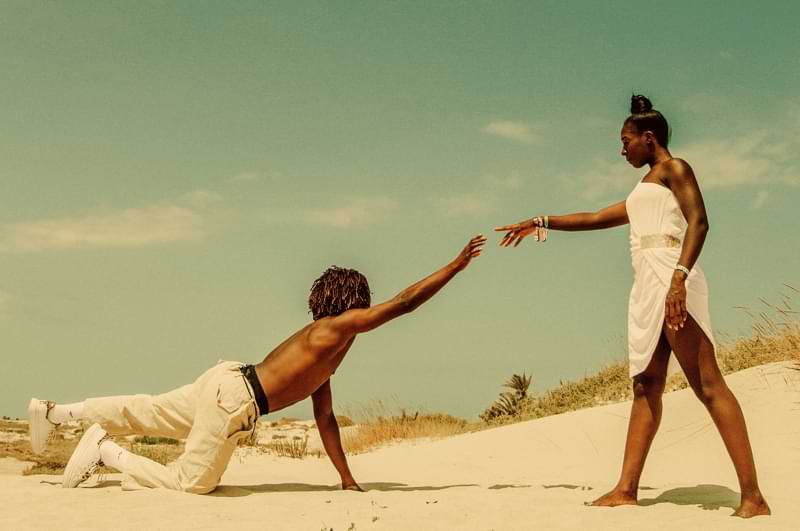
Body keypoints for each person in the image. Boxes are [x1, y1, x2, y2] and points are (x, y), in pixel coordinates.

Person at [28, 234, 487, 494]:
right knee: (191, 485)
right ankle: (107, 452)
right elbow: (404, 303)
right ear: (355, 303)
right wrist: (455, 265)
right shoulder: (335, 328)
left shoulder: (323, 353)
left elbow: (325, 418)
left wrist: (347, 479)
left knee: (146, 409)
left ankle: (55, 412)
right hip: (236, 401)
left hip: (228, 380)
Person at [495, 95, 770, 518]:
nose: (621, 149)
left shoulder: (676, 169)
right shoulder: (644, 188)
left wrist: (678, 279)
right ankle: (626, 488)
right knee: (646, 384)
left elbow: (699, 222)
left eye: (626, 141)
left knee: (707, 384)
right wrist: (541, 222)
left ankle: (753, 496)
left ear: (649, 137)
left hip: (672, 276)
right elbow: (594, 217)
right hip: (646, 285)